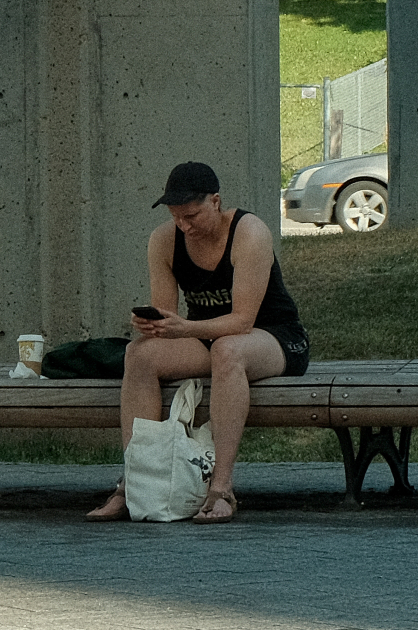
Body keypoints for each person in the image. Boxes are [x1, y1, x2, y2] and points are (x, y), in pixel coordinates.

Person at [86, 161, 309, 524]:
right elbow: (166, 315)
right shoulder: (164, 240)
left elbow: (243, 321)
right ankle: (133, 485)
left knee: (228, 348)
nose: (183, 226)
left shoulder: (249, 232)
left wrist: (184, 328)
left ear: (216, 202)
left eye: (191, 216)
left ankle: (221, 489)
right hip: (205, 334)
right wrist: (150, 324)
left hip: (273, 337)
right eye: (176, 217)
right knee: (139, 354)